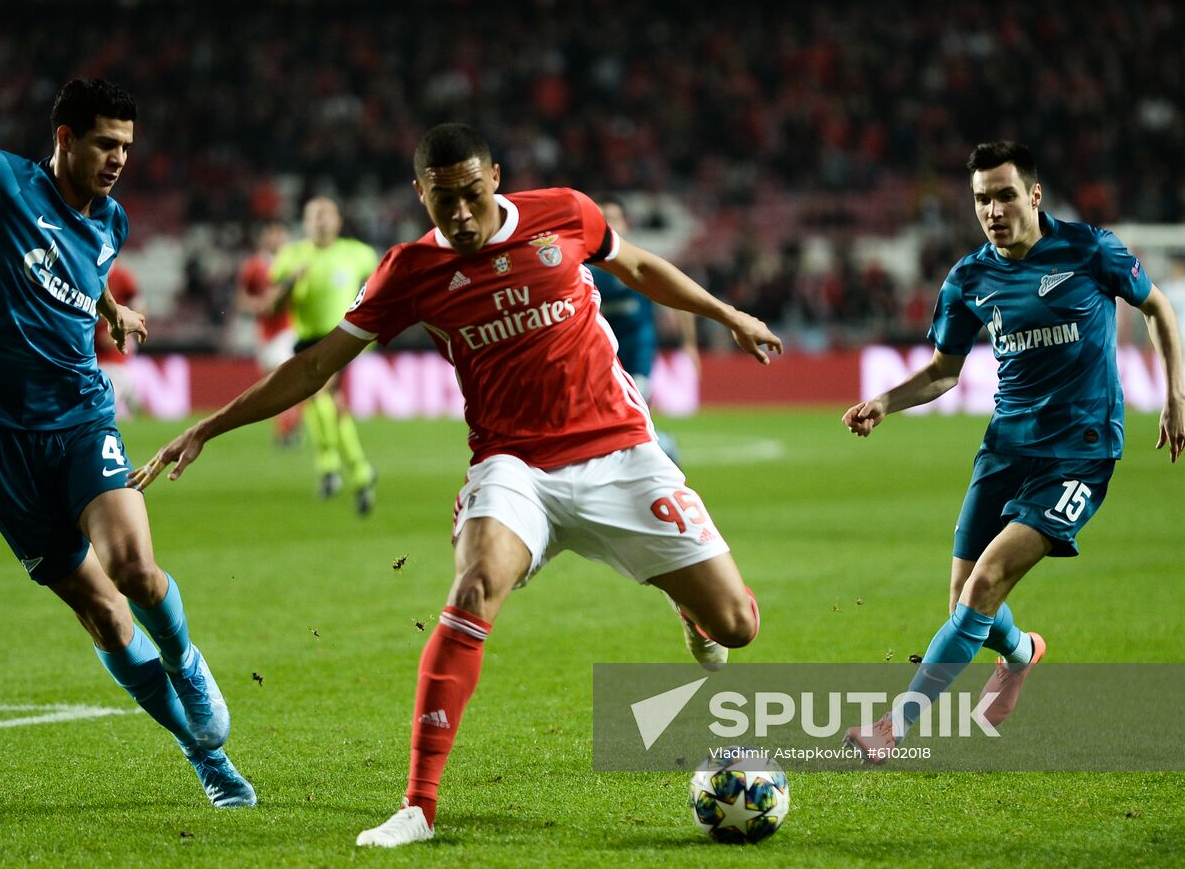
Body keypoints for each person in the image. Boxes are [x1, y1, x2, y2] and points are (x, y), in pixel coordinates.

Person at [130, 123, 783, 846]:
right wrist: (209, 427)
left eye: (473, 194)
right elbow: (316, 365)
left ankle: (691, 609)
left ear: (495, 177)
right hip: (514, 465)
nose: (463, 215)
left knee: (737, 626)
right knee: (473, 588)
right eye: (445, 202)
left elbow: (638, 267)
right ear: (422, 195)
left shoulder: (565, 213)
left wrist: (727, 314)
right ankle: (418, 806)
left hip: (620, 452)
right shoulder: (410, 271)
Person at [0, 0, 254, 807]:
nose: (119, 159)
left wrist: (110, 307)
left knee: (134, 567)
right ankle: (205, 758)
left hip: (79, 414)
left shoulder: (111, 222)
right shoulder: (2, 183)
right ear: (65, 138)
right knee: (104, 616)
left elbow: (81, 266)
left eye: (127, 146)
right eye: (105, 143)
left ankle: (187, 662)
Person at [840, 141, 1185, 760]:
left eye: (1005, 195)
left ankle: (893, 728)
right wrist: (884, 403)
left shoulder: (1090, 249)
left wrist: (1175, 395)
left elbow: (1157, 308)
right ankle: (1022, 652)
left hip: (1080, 451)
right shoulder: (968, 278)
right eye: (982, 199)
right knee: (964, 600)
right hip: (1006, 446)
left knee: (986, 583)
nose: (993, 210)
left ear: (1033, 194)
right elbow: (943, 372)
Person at [272, 196, 380, 512]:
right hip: (306, 339)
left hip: (341, 338)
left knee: (320, 393)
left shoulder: (358, 254)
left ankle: (329, 467)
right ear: (305, 223)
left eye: (326, 214)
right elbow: (273, 306)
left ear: (338, 221)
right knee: (327, 404)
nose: (321, 220)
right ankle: (361, 472)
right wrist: (291, 282)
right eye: (314, 215)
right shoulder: (290, 256)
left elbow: (379, 287)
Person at [591, 197, 700, 462]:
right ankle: (657, 448)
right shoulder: (586, 269)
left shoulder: (642, 262)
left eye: (613, 218)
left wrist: (689, 344)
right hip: (604, 357)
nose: (609, 225)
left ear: (626, 223)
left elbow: (679, 299)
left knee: (633, 413)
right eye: (602, 220)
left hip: (638, 352)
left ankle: (661, 452)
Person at [235, 221, 302, 446]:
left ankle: (286, 431)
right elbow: (241, 299)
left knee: (285, 380)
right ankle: (290, 425)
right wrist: (257, 305)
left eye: (280, 234)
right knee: (273, 387)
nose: (277, 239)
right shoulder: (254, 266)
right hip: (264, 334)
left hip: (289, 330)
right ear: (265, 237)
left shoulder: (294, 264)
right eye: (272, 234)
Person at [94, 261, 140, 418]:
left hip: (113, 359)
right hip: (91, 355)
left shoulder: (122, 277)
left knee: (104, 403)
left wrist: (127, 331)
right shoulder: (86, 272)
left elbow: (139, 306)